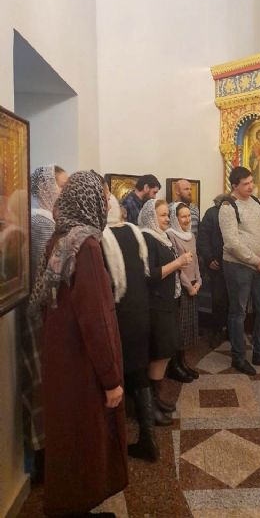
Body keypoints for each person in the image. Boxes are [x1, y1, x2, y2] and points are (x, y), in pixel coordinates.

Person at [29, 170, 127, 517]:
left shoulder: (61, 237)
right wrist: (111, 379)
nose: (107, 203)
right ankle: (74, 507)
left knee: (67, 437)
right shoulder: (85, 246)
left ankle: (67, 504)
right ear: (89, 201)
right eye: (103, 197)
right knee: (85, 439)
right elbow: (95, 318)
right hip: (82, 365)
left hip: (61, 359)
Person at [102, 194, 159, 461]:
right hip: (140, 312)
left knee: (114, 378)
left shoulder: (100, 237)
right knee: (139, 374)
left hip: (119, 316)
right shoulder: (134, 231)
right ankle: (148, 438)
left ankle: (114, 443)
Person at [21, 164, 68, 483]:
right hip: (41, 317)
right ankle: (44, 458)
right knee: (42, 385)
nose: (63, 192)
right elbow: (46, 276)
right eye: (60, 185)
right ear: (45, 187)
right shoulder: (40, 222)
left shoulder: (49, 220)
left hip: (48, 315)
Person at [218, 167, 260, 376]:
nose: (251, 186)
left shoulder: (256, 201)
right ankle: (238, 357)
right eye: (245, 184)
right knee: (238, 312)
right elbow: (232, 243)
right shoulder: (228, 207)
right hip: (238, 266)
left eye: (251, 182)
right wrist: (257, 261)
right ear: (234, 186)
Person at [139, 199, 193, 424]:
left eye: (166, 215)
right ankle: (149, 406)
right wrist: (178, 263)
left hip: (168, 301)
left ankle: (157, 398)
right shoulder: (147, 238)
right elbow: (149, 275)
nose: (166, 219)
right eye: (162, 215)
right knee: (159, 352)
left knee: (166, 350)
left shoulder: (161, 237)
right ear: (151, 216)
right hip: (156, 304)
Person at [167, 202, 201, 381]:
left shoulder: (191, 235)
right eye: (183, 216)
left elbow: (195, 261)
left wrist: (199, 281)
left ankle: (183, 362)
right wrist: (189, 286)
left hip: (194, 285)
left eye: (189, 216)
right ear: (175, 218)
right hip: (182, 287)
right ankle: (175, 366)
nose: (187, 220)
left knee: (187, 328)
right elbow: (177, 267)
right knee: (179, 328)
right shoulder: (171, 235)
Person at [197, 194, 228, 348]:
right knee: (218, 299)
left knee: (234, 299)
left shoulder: (238, 212)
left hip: (235, 264)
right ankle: (216, 331)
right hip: (217, 264)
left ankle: (231, 330)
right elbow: (203, 238)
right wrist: (209, 258)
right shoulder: (211, 213)